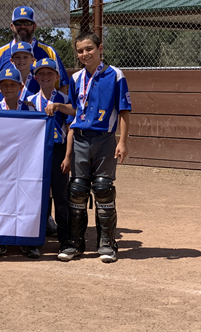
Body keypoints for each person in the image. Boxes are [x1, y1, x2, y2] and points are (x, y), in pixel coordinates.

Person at [54, 31, 131, 263]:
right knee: (77, 190)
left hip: (104, 139)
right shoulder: (76, 78)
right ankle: (75, 244)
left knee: (103, 188)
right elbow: (76, 111)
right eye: (80, 51)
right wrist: (59, 105)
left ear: (100, 48)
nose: (85, 54)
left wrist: (123, 141)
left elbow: (124, 110)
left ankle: (107, 243)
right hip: (79, 138)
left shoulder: (115, 75)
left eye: (89, 49)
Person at [0, 65, 38, 258]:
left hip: (26, 164)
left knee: (26, 201)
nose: (8, 88)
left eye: (12, 85)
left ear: (21, 86)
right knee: (1, 201)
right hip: (2, 166)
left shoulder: (30, 109)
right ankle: (0, 241)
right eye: (4, 85)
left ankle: (28, 241)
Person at [21, 58, 72, 260]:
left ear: (57, 77)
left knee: (61, 196)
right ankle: (34, 240)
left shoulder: (64, 99)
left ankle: (66, 239)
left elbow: (73, 125)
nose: (45, 77)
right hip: (36, 153)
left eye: (50, 73)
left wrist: (68, 156)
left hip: (58, 150)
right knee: (36, 197)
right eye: (41, 73)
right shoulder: (29, 101)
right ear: (35, 77)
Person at [0, 6, 71, 96]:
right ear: (12, 26)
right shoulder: (0, 53)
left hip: (40, 108)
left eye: (27, 23)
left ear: (34, 26)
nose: (23, 26)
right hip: (7, 109)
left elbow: (61, 85)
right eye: (18, 23)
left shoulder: (48, 51)